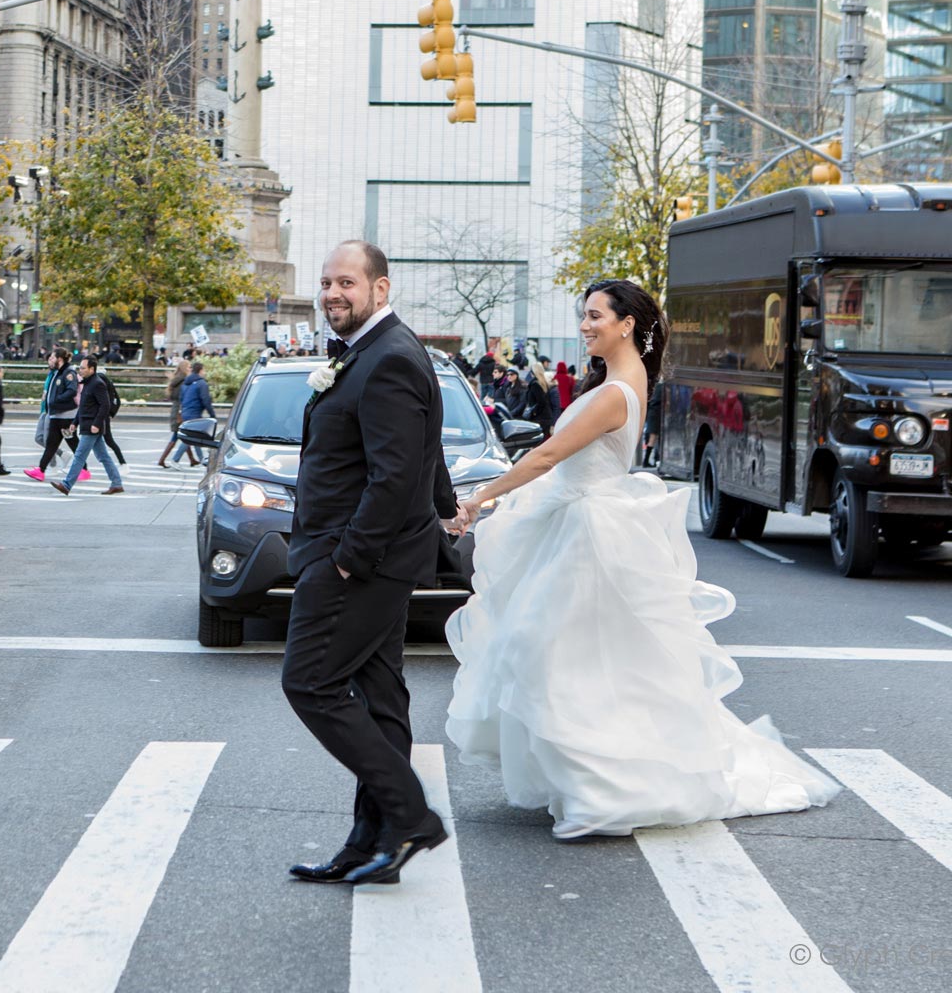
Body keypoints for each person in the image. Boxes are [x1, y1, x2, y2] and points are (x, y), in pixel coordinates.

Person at [443, 280, 838, 839]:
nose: (585, 325)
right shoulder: (628, 381)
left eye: (595, 315)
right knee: (588, 660)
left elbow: (551, 454)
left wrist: (479, 499)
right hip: (582, 520)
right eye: (584, 316)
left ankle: (599, 787)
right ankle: (587, 778)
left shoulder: (611, 392)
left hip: (587, 530)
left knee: (557, 654)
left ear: (626, 324)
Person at [284, 240, 458, 890]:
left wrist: (350, 560)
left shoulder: (388, 358)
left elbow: (392, 475)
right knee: (379, 698)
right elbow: (421, 450)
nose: (333, 293)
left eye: (347, 283)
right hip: (367, 553)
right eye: (326, 282)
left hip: (356, 557)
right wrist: (445, 505)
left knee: (311, 684)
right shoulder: (374, 354)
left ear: (380, 290)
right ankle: (373, 840)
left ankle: (409, 815)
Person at [49, 356, 124, 496]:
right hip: (87, 424)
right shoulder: (88, 383)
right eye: (80, 368)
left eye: (83, 368)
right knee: (103, 456)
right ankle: (117, 483)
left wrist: (97, 424)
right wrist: (75, 423)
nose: (80, 370)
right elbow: (84, 406)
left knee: (79, 456)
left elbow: (105, 405)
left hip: (91, 426)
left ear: (92, 369)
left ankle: (66, 485)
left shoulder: (97, 383)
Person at [27, 348, 87, 483]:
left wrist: (56, 399)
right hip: (57, 415)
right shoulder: (58, 373)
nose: (50, 360)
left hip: (66, 416)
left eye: (53, 358)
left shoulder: (68, 373)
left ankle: (84, 469)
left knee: (72, 443)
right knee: (51, 444)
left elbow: (71, 391)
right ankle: (41, 470)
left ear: (59, 359)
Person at [158, 350, 199, 469]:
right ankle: (163, 459)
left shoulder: (178, 380)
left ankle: (192, 460)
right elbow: (182, 397)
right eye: (189, 367)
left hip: (178, 409)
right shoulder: (183, 382)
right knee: (179, 436)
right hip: (180, 410)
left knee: (183, 435)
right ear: (184, 368)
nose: (191, 369)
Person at [178, 360, 215, 429]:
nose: (205, 373)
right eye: (204, 370)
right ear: (200, 371)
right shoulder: (202, 383)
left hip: (185, 413)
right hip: (195, 413)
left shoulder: (185, 383)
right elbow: (206, 400)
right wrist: (212, 414)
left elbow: (181, 398)